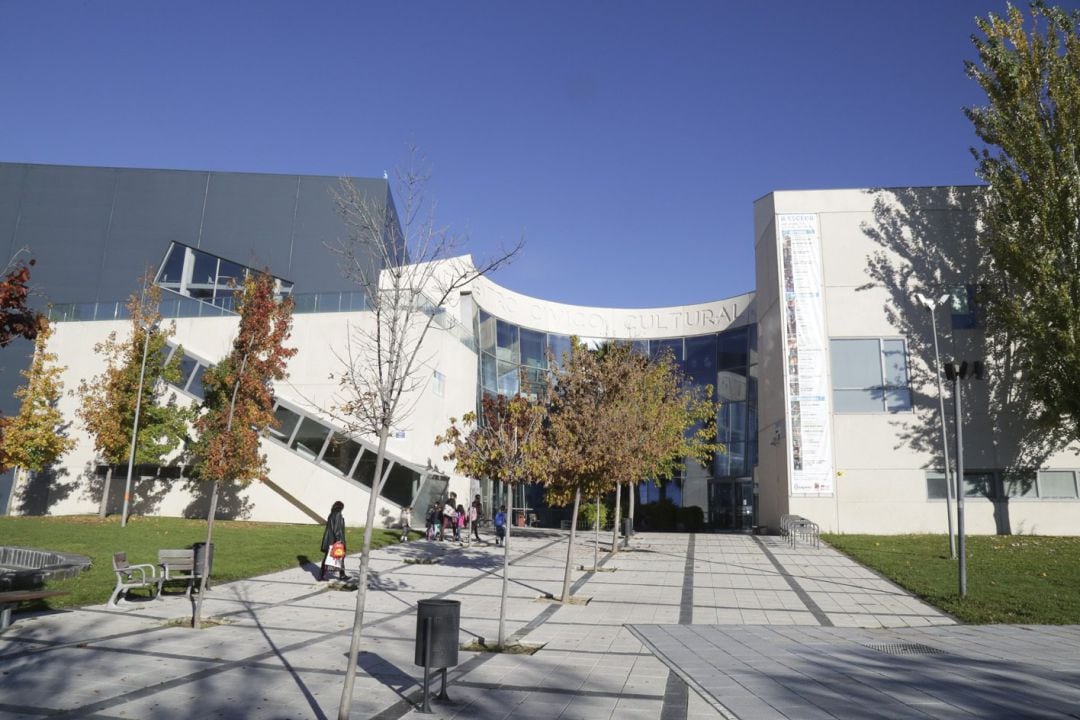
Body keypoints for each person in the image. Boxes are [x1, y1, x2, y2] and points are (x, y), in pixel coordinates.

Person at [320, 500, 347, 581]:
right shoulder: (338, 514)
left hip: (329, 539)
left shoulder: (331, 514)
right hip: (335, 540)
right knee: (340, 556)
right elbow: (337, 529)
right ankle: (341, 575)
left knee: (329, 558)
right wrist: (339, 540)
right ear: (341, 507)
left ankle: (323, 575)